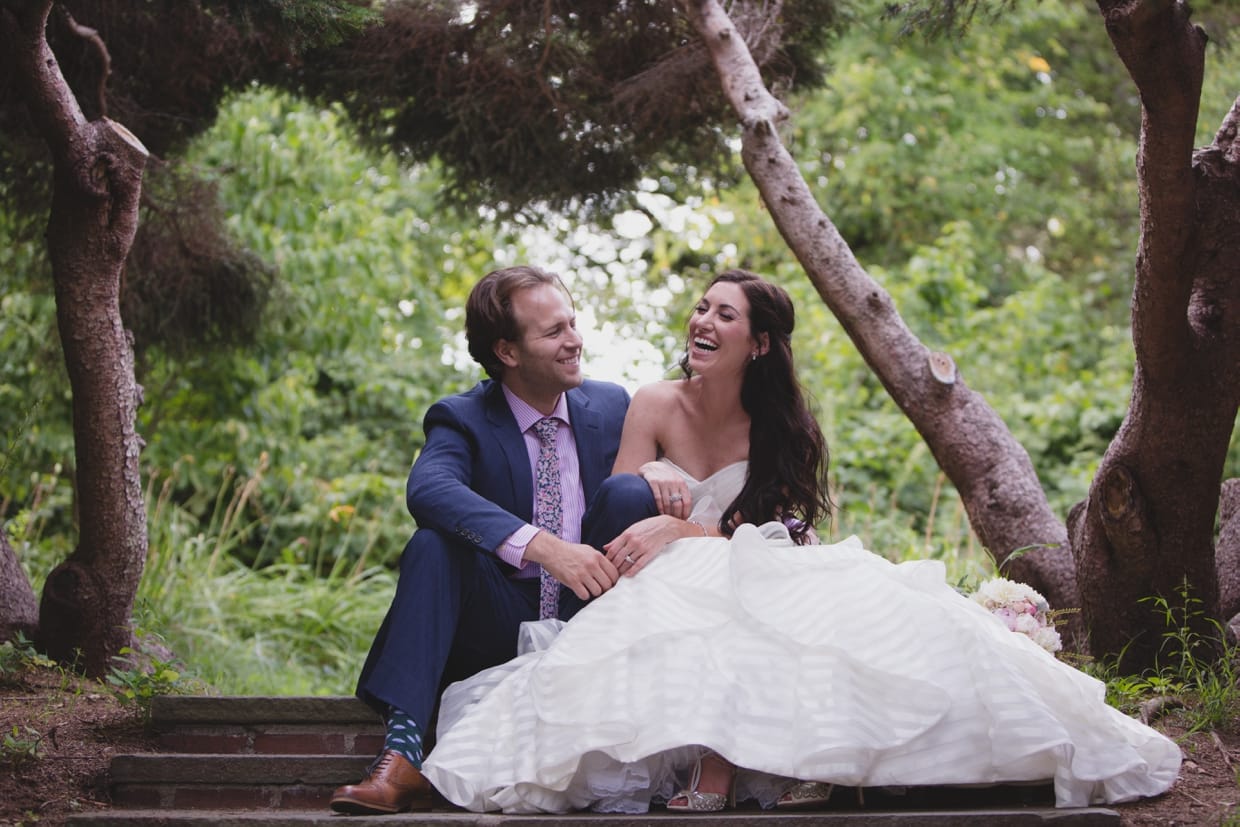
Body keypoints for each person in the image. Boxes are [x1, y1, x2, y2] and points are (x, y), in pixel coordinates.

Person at [418, 269, 1182, 814]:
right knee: (696, 588)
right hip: (661, 568)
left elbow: (782, 526)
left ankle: (749, 755)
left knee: (799, 597)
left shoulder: (782, 424)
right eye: (700, 307)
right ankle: (708, 751)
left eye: (724, 314)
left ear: (758, 342)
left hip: (750, 555)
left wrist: (690, 524)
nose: (702, 322)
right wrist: (656, 477)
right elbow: (620, 496)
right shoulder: (648, 401)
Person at [329, 265, 652, 815]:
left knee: (629, 492)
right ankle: (404, 752)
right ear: (506, 351)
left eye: (572, 323)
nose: (575, 340)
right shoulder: (463, 417)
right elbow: (428, 489)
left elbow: (692, 455)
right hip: (501, 621)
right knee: (434, 543)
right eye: (554, 332)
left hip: (595, 620)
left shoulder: (615, 406)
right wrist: (543, 547)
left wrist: (663, 470)